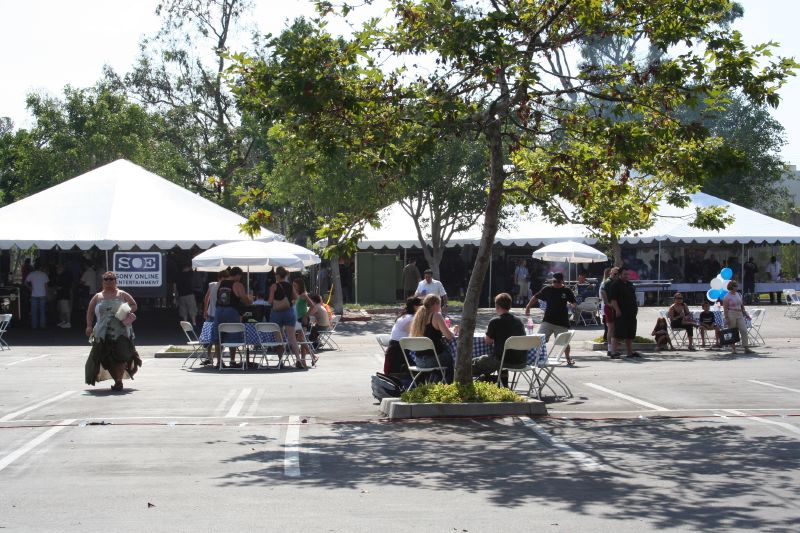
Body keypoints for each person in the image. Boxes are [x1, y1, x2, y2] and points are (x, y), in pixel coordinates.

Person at [84, 272, 142, 392]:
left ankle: (118, 381)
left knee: (121, 356)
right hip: (102, 332)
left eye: (112, 279)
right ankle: (117, 380)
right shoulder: (97, 296)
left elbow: (134, 305)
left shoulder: (122, 294)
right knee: (106, 358)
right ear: (103, 282)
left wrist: (126, 309)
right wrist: (89, 326)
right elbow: (90, 312)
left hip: (121, 331)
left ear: (116, 281)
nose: (109, 281)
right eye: (106, 279)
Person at [524, 272, 576, 365]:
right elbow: (536, 297)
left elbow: (574, 303)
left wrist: (572, 306)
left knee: (565, 342)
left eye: (558, 282)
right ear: (552, 280)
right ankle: (535, 358)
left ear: (562, 281)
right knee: (538, 339)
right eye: (554, 281)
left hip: (562, 322)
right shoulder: (548, 289)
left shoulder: (567, 291)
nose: (556, 284)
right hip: (548, 320)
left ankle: (568, 358)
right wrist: (528, 306)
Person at [473, 292, 527, 381]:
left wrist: (488, 332)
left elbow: (488, 341)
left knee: (472, 364)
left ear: (497, 306)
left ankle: (486, 381)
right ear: (510, 306)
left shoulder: (495, 321)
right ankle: (502, 382)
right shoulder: (519, 321)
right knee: (501, 356)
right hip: (521, 361)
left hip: (502, 361)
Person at [409, 294, 455, 382]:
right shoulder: (436, 315)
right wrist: (452, 330)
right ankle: (448, 386)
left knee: (444, 358)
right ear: (435, 304)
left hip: (419, 361)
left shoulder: (419, 317)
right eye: (440, 304)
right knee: (452, 358)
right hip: (433, 359)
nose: (440, 307)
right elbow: (449, 336)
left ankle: (435, 382)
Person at [212, 266, 252, 368]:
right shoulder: (237, 284)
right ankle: (233, 360)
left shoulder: (222, 283)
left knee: (218, 337)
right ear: (238, 275)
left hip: (219, 311)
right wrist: (250, 299)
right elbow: (245, 301)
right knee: (233, 335)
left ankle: (219, 361)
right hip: (231, 311)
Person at [268, 266, 304, 368]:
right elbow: (296, 297)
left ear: (278, 276)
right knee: (292, 337)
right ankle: (298, 359)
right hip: (289, 312)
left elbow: (270, 301)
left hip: (276, 313)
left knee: (278, 338)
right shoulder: (289, 285)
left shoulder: (274, 286)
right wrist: (289, 302)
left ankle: (281, 361)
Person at [384, 296, 422, 377]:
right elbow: (413, 334)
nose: (423, 307)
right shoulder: (411, 318)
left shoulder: (404, 316)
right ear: (415, 307)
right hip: (399, 352)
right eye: (421, 305)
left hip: (394, 349)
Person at [608, 268, 640, 358]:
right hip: (621, 313)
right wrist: (617, 310)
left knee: (630, 334)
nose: (626, 276)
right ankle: (613, 352)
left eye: (627, 274)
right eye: (625, 274)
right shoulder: (615, 284)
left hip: (631, 313)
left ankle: (630, 353)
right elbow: (613, 300)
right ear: (620, 274)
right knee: (617, 333)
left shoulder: (630, 284)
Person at [201, 270, 228, 366]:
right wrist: (205, 309)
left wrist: (205, 309)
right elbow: (206, 297)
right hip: (212, 313)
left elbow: (206, 297)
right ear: (219, 278)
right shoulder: (213, 285)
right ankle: (209, 356)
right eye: (223, 278)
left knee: (217, 337)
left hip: (216, 314)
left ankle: (214, 357)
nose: (224, 280)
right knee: (210, 337)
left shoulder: (218, 286)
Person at [723, 280, 753, 355]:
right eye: (735, 286)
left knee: (744, 330)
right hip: (731, 313)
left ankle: (746, 347)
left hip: (739, 313)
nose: (737, 287)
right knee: (732, 331)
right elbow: (725, 308)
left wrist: (746, 313)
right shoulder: (727, 297)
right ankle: (733, 348)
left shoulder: (738, 294)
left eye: (737, 285)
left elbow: (742, 305)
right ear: (731, 287)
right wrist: (727, 318)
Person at [25, 261, 49, 329]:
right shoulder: (44, 274)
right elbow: (46, 286)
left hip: (34, 295)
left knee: (34, 311)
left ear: (34, 267)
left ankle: (34, 325)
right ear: (40, 267)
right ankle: (42, 325)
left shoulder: (31, 274)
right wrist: (47, 294)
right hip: (42, 294)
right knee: (42, 311)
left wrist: (30, 288)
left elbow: (25, 282)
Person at [55, 264, 74, 328]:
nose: (57, 270)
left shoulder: (62, 276)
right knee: (63, 309)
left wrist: (58, 288)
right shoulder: (65, 275)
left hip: (63, 295)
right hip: (64, 294)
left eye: (58, 269)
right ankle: (64, 321)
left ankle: (68, 322)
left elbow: (60, 286)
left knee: (65, 309)